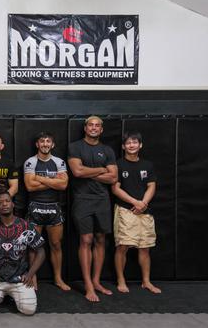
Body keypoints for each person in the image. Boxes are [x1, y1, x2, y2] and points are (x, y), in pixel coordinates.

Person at [67, 116, 118, 302]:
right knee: (85, 239)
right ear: (85, 128)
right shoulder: (75, 147)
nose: (94, 128)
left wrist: (90, 172)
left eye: (97, 125)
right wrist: (102, 170)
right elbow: (77, 172)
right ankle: (88, 285)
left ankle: (96, 281)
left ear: (101, 129)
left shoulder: (107, 150)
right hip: (82, 200)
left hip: (102, 200)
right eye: (91, 125)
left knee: (100, 239)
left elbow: (113, 178)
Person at [0, 192, 45, 315]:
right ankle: (1, 295)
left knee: (29, 310)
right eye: (0, 202)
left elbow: (41, 251)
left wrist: (30, 274)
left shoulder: (25, 226)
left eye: (7, 201)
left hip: (19, 279)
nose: (4, 204)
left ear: (13, 204)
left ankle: (9, 295)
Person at [112, 132, 161, 294]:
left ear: (140, 145)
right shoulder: (118, 164)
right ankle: (121, 280)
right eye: (128, 143)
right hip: (126, 210)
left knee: (145, 247)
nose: (132, 145)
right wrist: (135, 202)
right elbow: (115, 188)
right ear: (123, 146)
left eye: (135, 142)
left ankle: (146, 281)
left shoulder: (147, 165)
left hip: (145, 211)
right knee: (123, 246)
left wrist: (144, 203)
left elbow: (151, 186)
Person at [23, 131, 70, 291]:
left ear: (53, 144)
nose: (45, 144)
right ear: (37, 144)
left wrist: (40, 178)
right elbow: (29, 186)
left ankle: (58, 278)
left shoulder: (58, 162)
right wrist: (53, 180)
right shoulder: (31, 162)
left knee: (56, 244)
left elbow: (64, 185)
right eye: (42, 141)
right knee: (33, 246)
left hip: (53, 206)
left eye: (48, 141)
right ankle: (32, 277)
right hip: (35, 205)